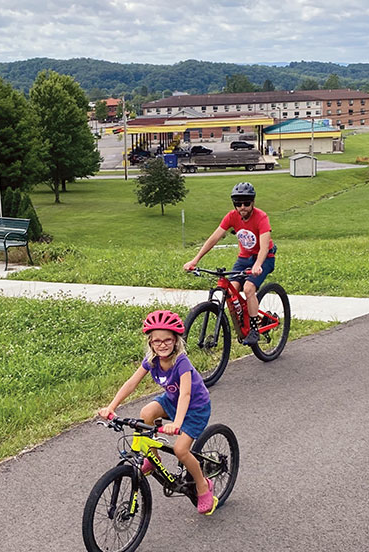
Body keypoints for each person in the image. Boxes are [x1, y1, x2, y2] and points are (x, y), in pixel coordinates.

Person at [97, 310, 217, 515]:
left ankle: (203, 486)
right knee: (146, 412)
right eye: (157, 341)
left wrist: (177, 423)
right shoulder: (151, 359)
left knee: (180, 450)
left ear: (176, 341)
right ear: (150, 342)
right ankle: (153, 460)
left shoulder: (181, 362)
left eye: (167, 340)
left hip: (195, 408)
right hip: (171, 401)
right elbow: (131, 383)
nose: (162, 344)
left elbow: (186, 394)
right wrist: (112, 407)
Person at [183, 182, 275, 345]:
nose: (242, 207)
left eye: (246, 203)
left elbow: (264, 245)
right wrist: (195, 259)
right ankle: (251, 317)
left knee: (248, 288)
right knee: (232, 291)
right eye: (238, 204)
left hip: (264, 258)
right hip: (243, 259)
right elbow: (214, 238)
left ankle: (254, 330)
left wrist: (258, 264)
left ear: (253, 202)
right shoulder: (231, 216)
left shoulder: (261, 217)